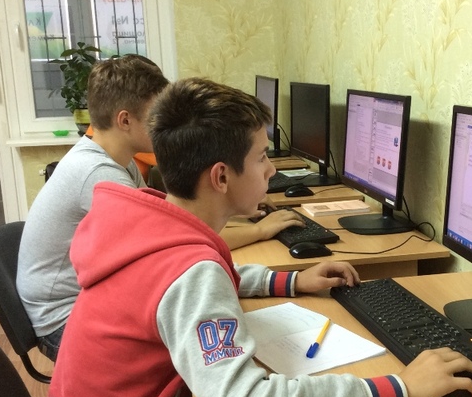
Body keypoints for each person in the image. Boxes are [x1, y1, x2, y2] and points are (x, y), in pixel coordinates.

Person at [47, 77, 472, 397]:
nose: (272, 170)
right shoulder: (190, 273)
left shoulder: (148, 221)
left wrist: (291, 280)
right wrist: (401, 388)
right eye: (261, 157)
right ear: (221, 177)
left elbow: (211, 276)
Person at [17, 56, 301, 361]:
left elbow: (172, 234)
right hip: (61, 318)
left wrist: (284, 278)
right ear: (125, 121)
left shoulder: (118, 161)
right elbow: (173, 248)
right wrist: (259, 231)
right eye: (155, 116)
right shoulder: (100, 175)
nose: (163, 125)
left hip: (88, 304)